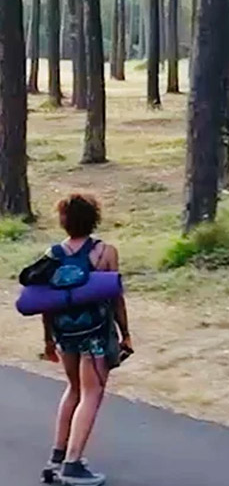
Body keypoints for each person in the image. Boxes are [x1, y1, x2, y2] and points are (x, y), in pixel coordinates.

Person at [40, 194, 132, 485]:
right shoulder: (105, 253)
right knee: (92, 394)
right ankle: (73, 464)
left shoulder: (53, 254)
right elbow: (115, 298)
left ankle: (56, 458)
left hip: (64, 333)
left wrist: (48, 340)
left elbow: (47, 303)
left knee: (74, 389)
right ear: (94, 219)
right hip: (95, 335)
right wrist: (126, 334)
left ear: (64, 221)